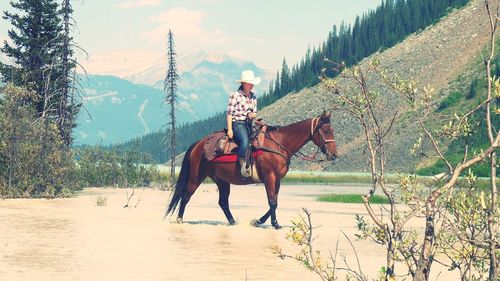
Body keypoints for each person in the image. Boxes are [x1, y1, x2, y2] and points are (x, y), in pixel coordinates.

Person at [226, 70, 261, 178]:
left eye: (252, 83)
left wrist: (253, 115)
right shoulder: (235, 95)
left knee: (259, 141)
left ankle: (257, 167)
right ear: (244, 83)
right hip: (238, 124)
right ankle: (243, 168)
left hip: (249, 124)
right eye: (250, 83)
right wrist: (230, 129)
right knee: (245, 142)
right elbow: (229, 113)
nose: (252, 85)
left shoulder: (254, 97)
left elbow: (255, 112)